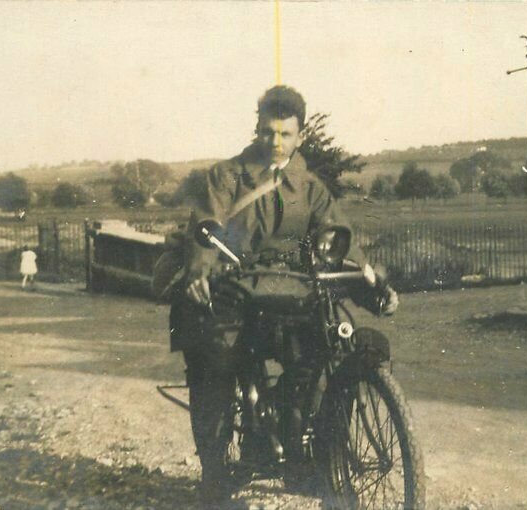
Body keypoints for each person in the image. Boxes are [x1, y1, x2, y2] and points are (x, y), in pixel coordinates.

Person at [170, 85, 398, 503]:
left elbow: (339, 242)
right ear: (257, 130)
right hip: (234, 286)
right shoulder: (226, 177)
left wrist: (372, 284)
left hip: (292, 291)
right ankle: (216, 470)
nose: (276, 142)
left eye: (285, 134)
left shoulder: (310, 188)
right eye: (268, 132)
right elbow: (205, 226)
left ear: (300, 136)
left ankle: (305, 451)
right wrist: (201, 270)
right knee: (215, 363)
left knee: (324, 349)